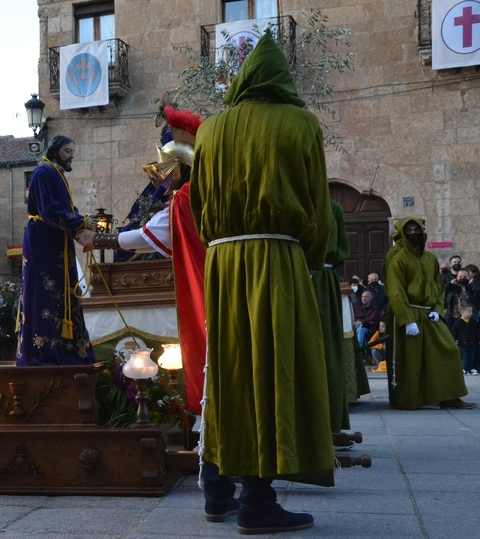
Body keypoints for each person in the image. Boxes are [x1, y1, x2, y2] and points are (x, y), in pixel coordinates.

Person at [189, 32, 334, 534]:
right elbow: (318, 211)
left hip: (224, 261)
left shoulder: (209, 131)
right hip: (277, 258)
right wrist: (306, 262)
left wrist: (221, 248)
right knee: (273, 368)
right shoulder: (301, 124)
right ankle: (257, 502)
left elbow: (199, 209)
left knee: (227, 369)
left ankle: (218, 492)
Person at [76, 106, 207, 414]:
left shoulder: (185, 199)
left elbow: (144, 236)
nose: (161, 178)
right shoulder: (201, 192)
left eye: (166, 170)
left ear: (179, 168)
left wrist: (98, 239)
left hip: (203, 283)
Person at [16, 136, 96, 366]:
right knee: (44, 294)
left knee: (63, 293)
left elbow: (66, 208)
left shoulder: (56, 173)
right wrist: (80, 222)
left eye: (72, 151)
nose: (71, 156)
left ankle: (68, 351)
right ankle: (42, 353)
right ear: (55, 151)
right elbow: (48, 209)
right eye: (67, 151)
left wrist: (80, 228)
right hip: (44, 242)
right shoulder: (43, 172)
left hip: (57, 241)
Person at [383, 218, 475, 410]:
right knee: (412, 359)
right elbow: (395, 290)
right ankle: (410, 399)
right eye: (409, 230)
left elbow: (439, 288)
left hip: (428, 313)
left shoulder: (430, 259)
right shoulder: (397, 257)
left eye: (417, 229)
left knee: (448, 349)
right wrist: (407, 320)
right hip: (408, 313)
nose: (413, 233)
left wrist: (437, 310)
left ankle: (449, 396)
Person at [311, 201, 351, 436]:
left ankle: (329, 422)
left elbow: (342, 246)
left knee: (327, 348)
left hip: (322, 280)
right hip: (291, 271)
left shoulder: (333, 208)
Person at [450, 304, 479, 376]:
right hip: (462, 343)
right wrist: (455, 339)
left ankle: (470, 368)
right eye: (468, 311)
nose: (470, 313)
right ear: (462, 312)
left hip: (472, 342)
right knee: (465, 356)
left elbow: (477, 332)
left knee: (471, 356)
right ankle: (464, 368)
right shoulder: (458, 322)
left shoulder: (473, 322)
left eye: (471, 311)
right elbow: (454, 332)